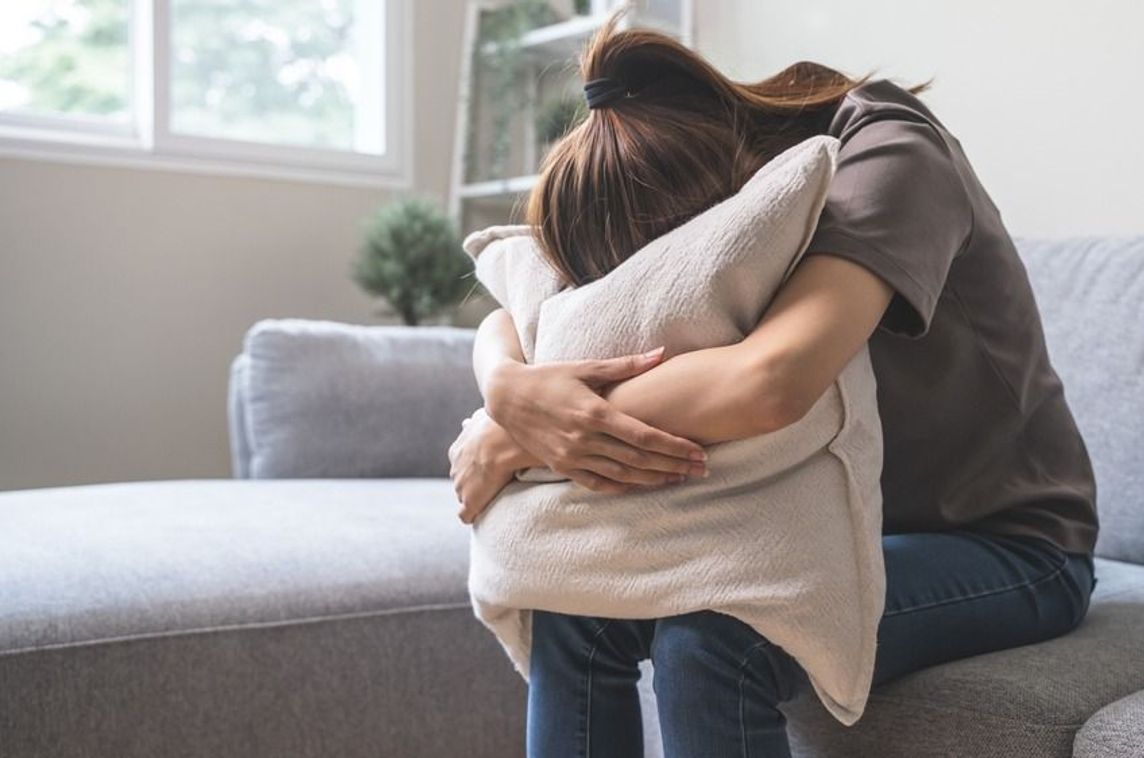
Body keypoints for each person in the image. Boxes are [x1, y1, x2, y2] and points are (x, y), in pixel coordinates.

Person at [448, 18, 1098, 758]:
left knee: (718, 636)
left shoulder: (889, 149)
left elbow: (769, 382)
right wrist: (506, 387)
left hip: (1008, 546)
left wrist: (511, 436)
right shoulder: (705, 181)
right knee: (568, 603)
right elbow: (522, 309)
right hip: (806, 520)